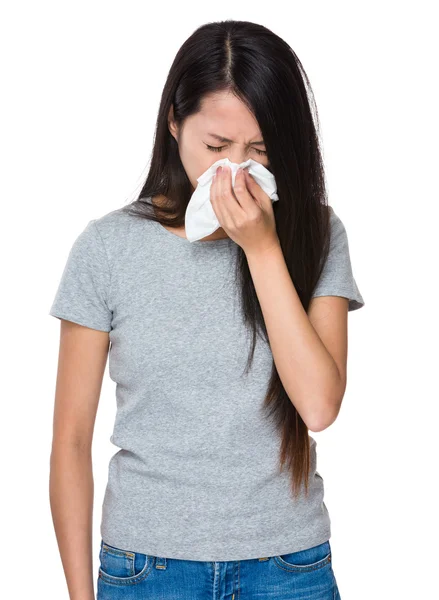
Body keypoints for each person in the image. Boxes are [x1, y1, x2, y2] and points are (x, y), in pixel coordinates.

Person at [48, 19, 364, 600]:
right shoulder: (108, 247)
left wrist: (263, 248)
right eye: (216, 147)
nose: (235, 170)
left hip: (287, 566)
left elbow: (319, 405)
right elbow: (70, 439)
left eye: (261, 150)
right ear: (174, 124)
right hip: (147, 569)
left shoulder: (317, 233)